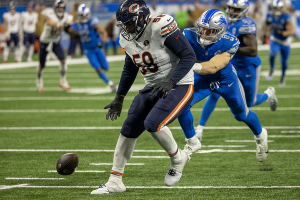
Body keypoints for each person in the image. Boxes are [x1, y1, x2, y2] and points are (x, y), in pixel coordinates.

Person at [90, 0, 196, 194]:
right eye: (124, 24)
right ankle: (115, 180)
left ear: (141, 18)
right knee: (129, 127)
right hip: (153, 85)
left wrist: (171, 81)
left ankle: (178, 157)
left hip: (180, 84)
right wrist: (119, 97)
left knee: (153, 123)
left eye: (129, 23)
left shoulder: (160, 25)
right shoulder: (126, 38)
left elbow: (189, 55)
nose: (126, 28)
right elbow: (130, 68)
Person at [179, 9, 268, 163]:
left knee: (241, 115)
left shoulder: (230, 41)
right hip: (202, 78)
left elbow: (214, 66)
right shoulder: (188, 35)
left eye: (210, 31)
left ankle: (260, 136)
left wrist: (186, 66)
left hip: (226, 79)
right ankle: (192, 142)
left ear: (220, 32)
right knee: (181, 105)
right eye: (202, 28)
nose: (204, 33)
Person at [195, 0, 278, 141]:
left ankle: (268, 94)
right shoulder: (223, 21)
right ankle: (200, 129)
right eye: (231, 8)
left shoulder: (247, 24)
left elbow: (252, 50)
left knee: (250, 103)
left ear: (244, 10)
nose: (232, 12)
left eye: (236, 9)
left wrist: (228, 47)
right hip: (230, 63)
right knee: (214, 93)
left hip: (247, 65)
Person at [64, 4, 116, 92]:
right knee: (97, 68)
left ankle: (106, 76)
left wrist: (102, 42)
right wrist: (66, 28)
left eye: (84, 15)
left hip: (97, 48)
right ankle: (110, 84)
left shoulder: (92, 22)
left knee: (106, 67)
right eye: (81, 15)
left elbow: (103, 32)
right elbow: (69, 29)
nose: (83, 17)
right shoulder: (76, 24)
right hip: (88, 50)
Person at [36, 0, 73, 92]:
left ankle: (63, 81)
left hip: (55, 41)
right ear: (55, 8)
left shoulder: (67, 17)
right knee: (42, 64)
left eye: (62, 8)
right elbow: (49, 22)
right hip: (45, 41)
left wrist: (70, 26)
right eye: (59, 8)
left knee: (63, 61)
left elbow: (71, 23)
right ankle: (39, 81)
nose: (60, 10)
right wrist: (60, 25)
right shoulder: (50, 14)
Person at [263, 0, 294, 86]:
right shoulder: (269, 15)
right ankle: (272, 69)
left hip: (285, 41)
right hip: (275, 39)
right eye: (275, 8)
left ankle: (283, 76)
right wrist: (265, 34)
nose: (277, 10)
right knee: (272, 54)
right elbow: (265, 24)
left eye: (278, 8)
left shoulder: (286, 16)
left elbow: (291, 31)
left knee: (284, 62)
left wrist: (282, 33)